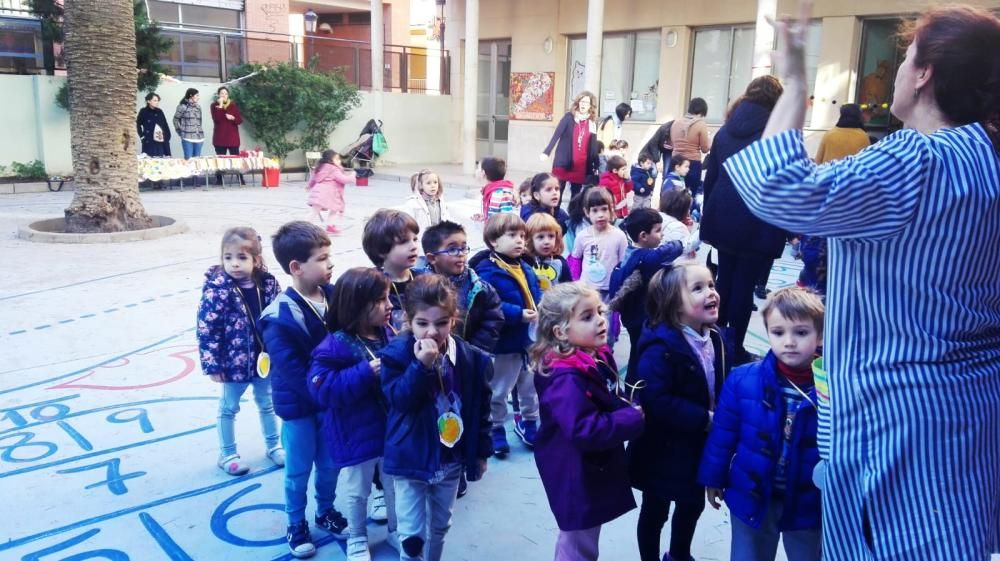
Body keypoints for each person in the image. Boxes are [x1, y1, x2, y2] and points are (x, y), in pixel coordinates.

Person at [723, 4, 1000, 559]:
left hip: (896, 423)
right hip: (970, 412)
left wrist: (796, 76)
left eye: (905, 59)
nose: (895, 71)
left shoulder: (917, 159)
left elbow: (776, 188)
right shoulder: (987, 158)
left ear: (924, 74)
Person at [699, 287, 824, 561]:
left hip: (808, 500)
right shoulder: (743, 380)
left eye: (801, 333)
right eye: (779, 332)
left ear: (820, 336)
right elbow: (724, 434)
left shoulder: (832, 387)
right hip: (751, 493)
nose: (789, 342)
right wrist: (714, 477)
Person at [380, 274, 493, 561]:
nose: (432, 332)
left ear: (453, 320)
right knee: (412, 535)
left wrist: (480, 452)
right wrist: (421, 367)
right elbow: (400, 400)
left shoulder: (472, 359)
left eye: (441, 323)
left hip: (450, 458)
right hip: (411, 457)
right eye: (422, 323)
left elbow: (481, 410)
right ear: (408, 320)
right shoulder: (395, 355)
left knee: (440, 526)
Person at [530, 282, 645, 561]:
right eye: (587, 317)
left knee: (583, 536)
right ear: (561, 332)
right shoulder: (565, 377)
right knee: (579, 543)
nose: (600, 321)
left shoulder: (592, 357)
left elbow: (604, 397)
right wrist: (633, 417)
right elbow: (584, 429)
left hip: (586, 468)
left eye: (599, 312)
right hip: (573, 469)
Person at [626, 263, 729, 561]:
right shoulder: (660, 347)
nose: (711, 292)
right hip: (662, 448)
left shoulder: (716, 338)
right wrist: (705, 419)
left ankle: (680, 554)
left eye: (711, 284)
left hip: (699, 445)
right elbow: (656, 400)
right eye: (698, 288)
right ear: (673, 304)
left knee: (692, 503)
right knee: (655, 508)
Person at [259, 221, 348, 558]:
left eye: (330, 256)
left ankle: (325, 510)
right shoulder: (277, 315)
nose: (330, 264)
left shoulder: (334, 294)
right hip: (300, 406)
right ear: (296, 267)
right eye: (322, 258)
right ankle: (295, 522)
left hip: (330, 401)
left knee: (330, 463)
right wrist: (330, 391)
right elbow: (293, 370)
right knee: (298, 469)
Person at [307, 268, 398, 561]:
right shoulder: (334, 344)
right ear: (358, 305)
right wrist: (364, 372)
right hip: (354, 434)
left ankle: (397, 530)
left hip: (389, 430)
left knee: (393, 485)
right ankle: (358, 536)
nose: (390, 306)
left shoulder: (388, 333)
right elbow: (321, 390)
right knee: (358, 492)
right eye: (382, 300)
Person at [699, 75, 786, 365]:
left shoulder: (726, 130)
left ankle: (715, 342)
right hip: (756, 218)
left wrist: (709, 217)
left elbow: (711, 177)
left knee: (725, 280)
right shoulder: (777, 131)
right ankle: (733, 347)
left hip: (723, 214)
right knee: (744, 286)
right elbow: (785, 181)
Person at [196, 227, 284, 476]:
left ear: (256, 260)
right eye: (228, 257)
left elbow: (278, 317)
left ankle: (273, 445)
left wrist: (279, 350)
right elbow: (207, 328)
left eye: (242, 257)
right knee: (228, 407)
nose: (234, 264)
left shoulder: (267, 284)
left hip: (263, 359)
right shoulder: (218, 288)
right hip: (233, 362)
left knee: (267, 403)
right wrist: (212, 364)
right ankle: (228, 454)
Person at [472, 213, 542, 455]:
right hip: (505, 342)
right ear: (493, 241)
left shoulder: (525, 266)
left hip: (529, 340)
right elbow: (489, 304)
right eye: (512, 236)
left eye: (522, 236)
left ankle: (529, 421)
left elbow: (534, 295)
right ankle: (496, 428)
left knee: (530, 386)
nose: (520, 241)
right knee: (499, 388)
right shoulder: (488, 271)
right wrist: (517, 314)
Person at [607, 208, 686, 374]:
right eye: (658, 231)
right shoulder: (648, 258)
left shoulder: (628, 255)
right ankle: (635, 388)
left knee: (637, 351)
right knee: (641, 354)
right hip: (642, 318)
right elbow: (673, 249)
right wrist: (681, 242)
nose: (662, 235)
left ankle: (633, 387)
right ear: (643, 236)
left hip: (630, 318)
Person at [422, 221, 504, 355]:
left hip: (468, 356)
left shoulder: (479, 287)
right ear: (432, 258)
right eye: (452, 249)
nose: (460, 254)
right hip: (431, 354)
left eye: (463, 248)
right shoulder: (420, 286)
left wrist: (472, 351)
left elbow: (493, 319)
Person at [361, 209, 425, 335]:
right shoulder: (371, 285)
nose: (414, 246)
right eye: (403, 242)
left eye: (415, 239)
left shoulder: (425, 279)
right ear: (381, 250)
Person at [567, 188, 628, 298]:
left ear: (611, 210)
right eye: (595, 210)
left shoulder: (619, 236)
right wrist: (576, 284)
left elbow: (623, 263)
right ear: (586, 212)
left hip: (610, 290)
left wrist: (620, 287)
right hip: (586, 289)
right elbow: (575, 260)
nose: (600, 215)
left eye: (604, 209)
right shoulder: (582, 236)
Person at [541, 90, 598, 204]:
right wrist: (547, 151)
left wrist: (595, 163)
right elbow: (557, 134)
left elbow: (593, 145)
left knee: (576, 195)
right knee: (557, 192)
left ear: (590, 106)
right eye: (582, 101)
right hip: (564, 161)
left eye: (586, 102)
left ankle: (573, 218)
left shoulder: (591, 122)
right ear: (578, 103)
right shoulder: (569, 117)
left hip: (580, 165)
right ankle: (554, 216)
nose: (583, 104)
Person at [307, 149, 356, 235]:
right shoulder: (334, 169)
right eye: (337, 159)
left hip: (319, 192)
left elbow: (313, 178)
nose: (339, 161)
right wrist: (353, 176)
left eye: (339, 159)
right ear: (330, 160)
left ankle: (329, 226)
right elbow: (343, 179)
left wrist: (309, 185)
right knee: (333, 209)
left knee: (320, 210)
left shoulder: (320, 167)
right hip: (328, 194)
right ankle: (305, 226)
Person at [669, 98, 711, 194]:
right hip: (692, 164)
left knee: (673, 194)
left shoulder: (676, 123)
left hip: (675, 161)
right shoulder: (700, 124)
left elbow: (672, 142)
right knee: (690, 195)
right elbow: (705, 149)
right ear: (702, 111)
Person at [524, 212, 572, 292]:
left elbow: (569, 290)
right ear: (530, 239)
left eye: (551, 236)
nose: (547, 242)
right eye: (540, 237)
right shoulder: (524, 261)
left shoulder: (560, 262)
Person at [210, 86, 245, 186]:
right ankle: (219, 180)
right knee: (220, 160)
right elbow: (217, 119)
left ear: (228, 95)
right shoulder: (214, 106)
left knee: (236, 159)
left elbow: (239, 121)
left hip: (232, 137)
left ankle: (240, 179)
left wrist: (233, 118)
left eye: (225, 93)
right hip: (220, 137)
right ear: (218, 95)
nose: (223, 95)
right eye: (221, 93)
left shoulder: (233, 105)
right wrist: (220, 106)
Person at [136, 92, 171, 158]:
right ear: (148, 101)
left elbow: (165, 124)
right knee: (148, 159)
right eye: (155, 100)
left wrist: (167, 136)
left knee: (161, 159)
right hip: (148, 140)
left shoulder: (160, 111)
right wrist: (142, 136)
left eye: (158, 101)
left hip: (160, 139)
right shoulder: (143, 111)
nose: (157, 102)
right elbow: (138, 124)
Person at [173, 88, 204, 160]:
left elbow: (199, 122)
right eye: (197, 95)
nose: (198, 97)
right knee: (188, 160)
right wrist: (179, 132)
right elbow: (175, 120)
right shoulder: (182, 106)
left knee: (196, 161)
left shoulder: (198, 107)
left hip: (199, 138)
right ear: (191, 95)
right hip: (187, 137)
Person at [598, 155, 633, 220]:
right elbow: (603, 198)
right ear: (615, 171)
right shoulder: (606, 181)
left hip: (623, 210)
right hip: (613, 212)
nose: (626, 171)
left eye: (626, 168)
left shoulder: (622, 178)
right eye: (623, 169)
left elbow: (628, 189)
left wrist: (628, 180)